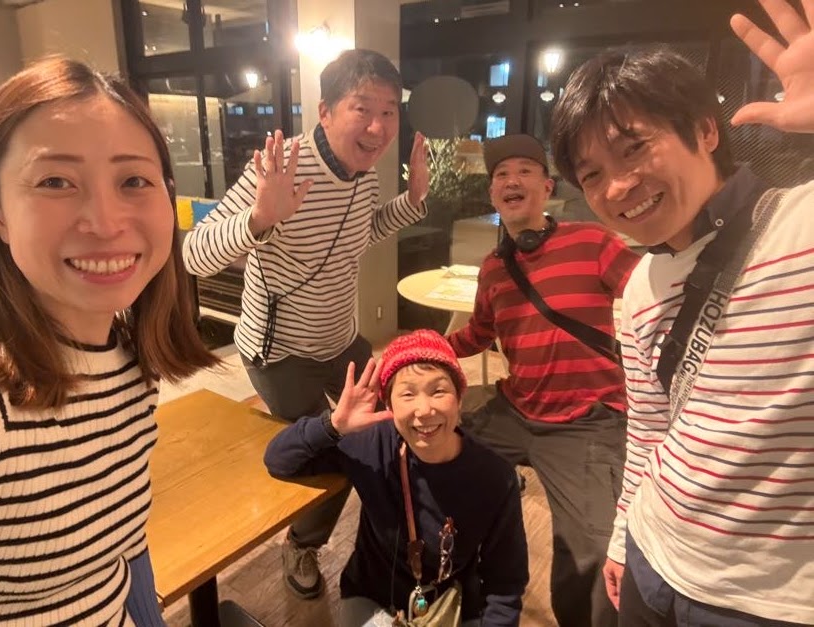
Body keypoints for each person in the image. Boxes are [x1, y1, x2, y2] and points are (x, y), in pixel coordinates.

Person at [549, 0, 814, 624]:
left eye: (634, 149)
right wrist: (623, 537)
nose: (617, 187)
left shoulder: (800, 225)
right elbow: (648, 428)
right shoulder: (640, 285)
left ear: (705, 131)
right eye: (592, 174)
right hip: (653, 554)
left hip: (763, 600)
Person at [0, 57, 219, 625]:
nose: (106, 222)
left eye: (133, 180)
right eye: (55, 182)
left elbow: (122, 555)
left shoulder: (129, 358)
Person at [182, 48, 429, 598]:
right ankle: (302, 542)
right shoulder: (280, 168)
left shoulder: (364, 170)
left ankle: (399, 537)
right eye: (362, 108)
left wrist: (411, 201)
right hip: (280, 352)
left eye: (389, 112)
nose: (377, 127)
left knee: (391, 424)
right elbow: (193, 255)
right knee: (331, 453)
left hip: (340, 337)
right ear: (324, 111)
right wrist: (258, 219)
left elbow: (358, 235)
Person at [446, 133, 638, 627]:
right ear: (493, 194)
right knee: (429, 439)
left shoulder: (592, 242)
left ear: (547, 187)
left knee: (591, 553)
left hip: (586, 420)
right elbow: (478, 333)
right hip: (516, 408)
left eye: (525, 171)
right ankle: (456, 576)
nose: (512, 180)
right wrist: (424, 351)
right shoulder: (494, 268)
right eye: (501, 175)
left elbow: (652, 295)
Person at [264, 330, 529, 626]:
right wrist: (333, 424)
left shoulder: (494, 476)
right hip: (374, 597)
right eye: (407, 394)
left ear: (459, 398)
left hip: (453, 603)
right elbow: (279, 461)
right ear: (389, 404)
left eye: (438, 391)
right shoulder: (370, 444)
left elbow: (506, 583)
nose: (424, 410)